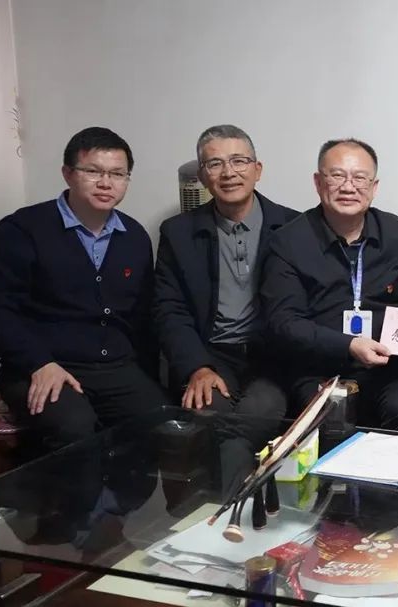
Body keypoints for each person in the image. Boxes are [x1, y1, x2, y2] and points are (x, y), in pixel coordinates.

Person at [0, 126, 163, 453]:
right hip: (43, 365)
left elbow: (141, 317)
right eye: (93, 171)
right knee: (74, 426)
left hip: (115, 367)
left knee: (162, 422)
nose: (106, 182)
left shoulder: (134, 236)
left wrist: (145, 375)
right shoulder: (22, 229)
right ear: (67, 174)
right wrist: (39, 362)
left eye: (117, 174)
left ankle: (123, 491)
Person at [154, 125, 297, 495]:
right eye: (215, 164)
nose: (228, 172)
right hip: (212, 356)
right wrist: (197, 367)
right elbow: (169, 310)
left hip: (272, 358)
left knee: (261, 409)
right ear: (203, 176)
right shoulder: (178, 232)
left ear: (257, 169)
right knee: (208, 406)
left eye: (239, 161)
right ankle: (241, 509)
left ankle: (224, 507)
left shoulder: (294, 226)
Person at [261, 138, 398, 431]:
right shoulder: (288, 241)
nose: (348, 187)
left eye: (359, 178)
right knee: (330, 418)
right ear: (318, 182)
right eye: (337, 176)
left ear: (374, 187)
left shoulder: (395, 232)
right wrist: (349, 345)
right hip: (320, 368)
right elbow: (284, 322)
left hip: (390, 367)